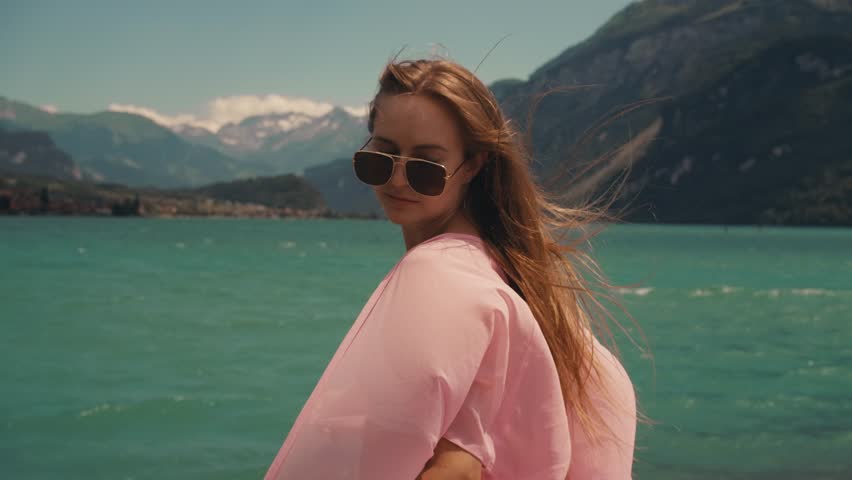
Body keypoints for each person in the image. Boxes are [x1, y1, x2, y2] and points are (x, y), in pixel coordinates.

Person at [264, 57, 638, 479]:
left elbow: (457, 467)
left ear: (473, 165)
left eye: (426, 166)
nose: (398, 180)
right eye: (382, 157)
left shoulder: (439, 275)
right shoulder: (529, 292)